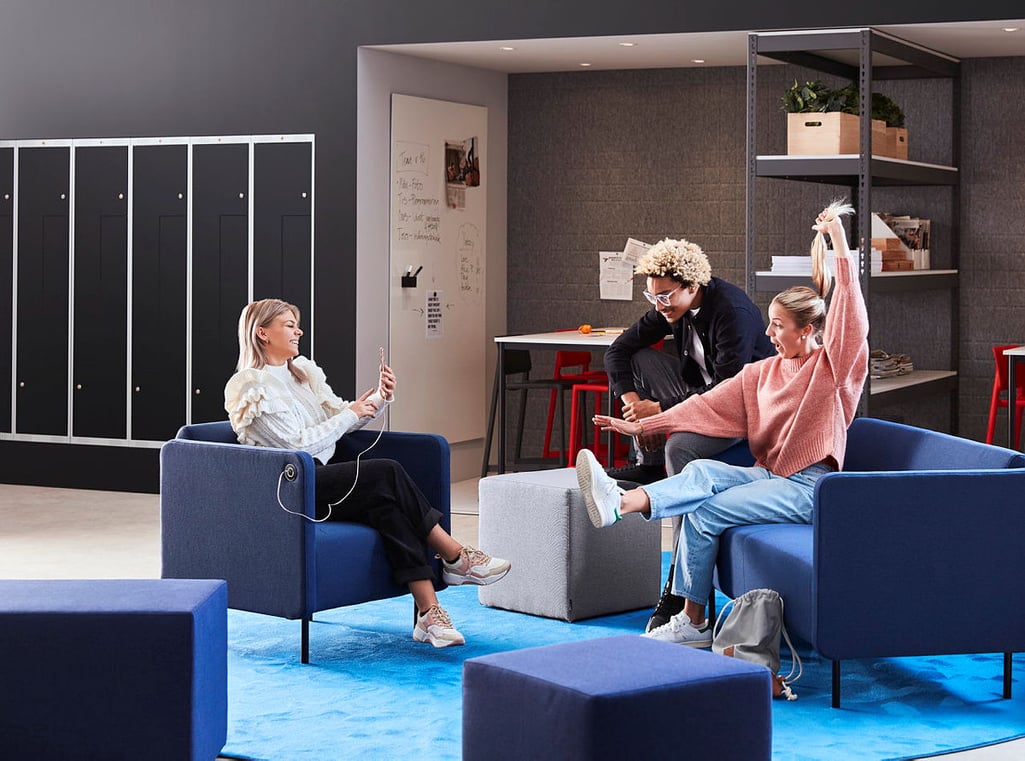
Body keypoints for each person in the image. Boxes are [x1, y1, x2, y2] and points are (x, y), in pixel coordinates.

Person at [576, 202, 867, 647]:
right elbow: (708, 406)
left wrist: (839, 242)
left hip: (812, 488)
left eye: (777, 327)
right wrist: (645, 426)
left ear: (808, 330)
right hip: (770, 475)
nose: (767, 336)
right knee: (700, 474)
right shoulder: (762, 373)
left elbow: (850, 315)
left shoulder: (833, 369)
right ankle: (619, 502)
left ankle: (691, 620)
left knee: (707, 508)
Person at [224, 298, 510, 649]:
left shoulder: (302, 375)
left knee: (387, 508)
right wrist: (348, 415)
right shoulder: (250, 387)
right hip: (293, 487)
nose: (298, 331)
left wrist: (380, 397)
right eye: (288, 325)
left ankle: (429, 613)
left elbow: (340, 420)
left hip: (325, 478)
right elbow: (296, 446)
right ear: (262, 333)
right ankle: (453, 554)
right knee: (386, 472)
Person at [602, 236, 774, 631]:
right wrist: (635, 403)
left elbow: (729, 388)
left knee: (681, 445)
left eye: (664, 297)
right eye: (651, 297)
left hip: (744, 410)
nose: (658, 306)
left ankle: (680, 587)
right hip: (699, 399)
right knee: (642, 356)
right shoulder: (670, 310)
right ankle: (650, 463)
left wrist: (658, 412)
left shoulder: (732, 311)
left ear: (692, 286)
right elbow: (617, 352)